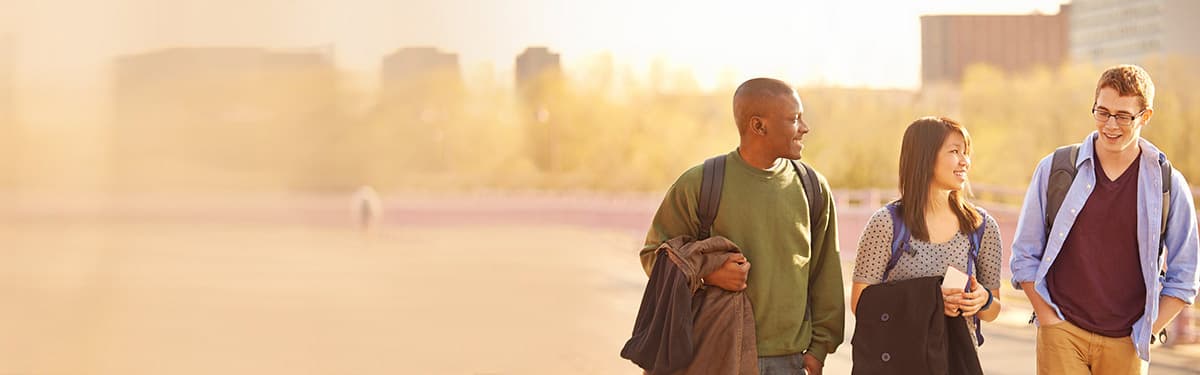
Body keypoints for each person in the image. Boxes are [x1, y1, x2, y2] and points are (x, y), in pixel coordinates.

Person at [639, 77, 844, 374]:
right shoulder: (699, 184)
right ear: (758, 126)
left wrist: (819, 349)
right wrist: (708, 274)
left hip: (789, 361)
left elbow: (826, 274)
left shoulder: (813, 188)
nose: (804, 128)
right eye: (794, 119)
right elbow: (653, 256)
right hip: (714, 355)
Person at [1009, 64, 1200, 374]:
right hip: (1063, 331)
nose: (1111, 124)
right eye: (1102, 112)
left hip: (1127, 340)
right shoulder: (1056, 168)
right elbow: (1024, 253)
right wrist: (1048, 318)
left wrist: (1148, 329)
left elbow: (1186, 273)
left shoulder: (1167, 182)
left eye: (1123, 116)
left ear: (1146, 116)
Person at [849, 117, 1002, 373]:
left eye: (966, 153)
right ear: (925, 157)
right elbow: (860, 304)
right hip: (898, 363)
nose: (965, 161)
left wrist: (982, 300)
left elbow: (993, 309)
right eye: (954, 152)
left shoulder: (982, 227)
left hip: (956, 362)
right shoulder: (886, 223)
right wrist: (932, 299)